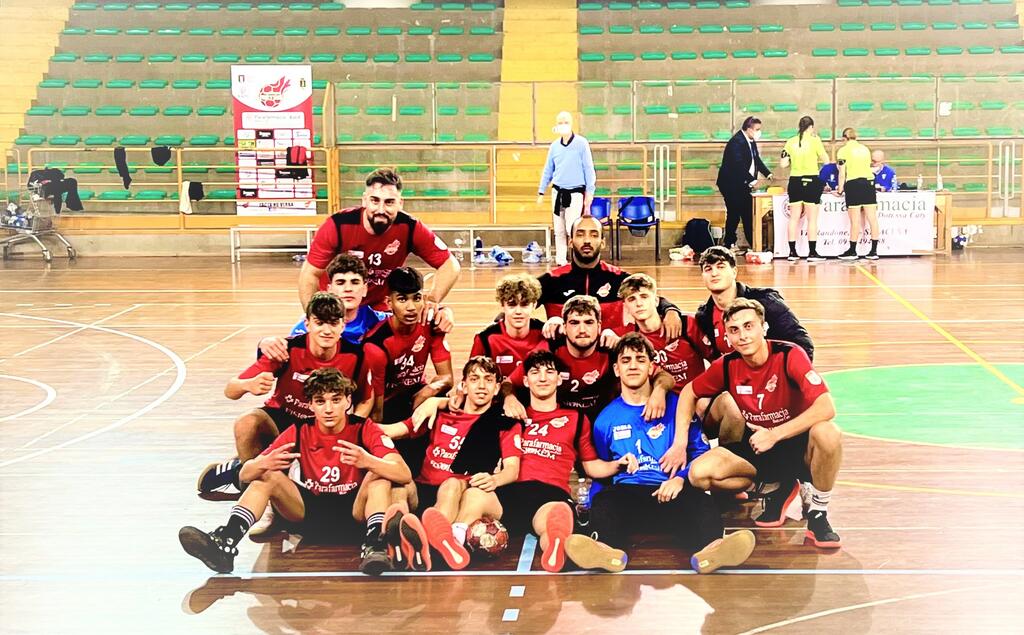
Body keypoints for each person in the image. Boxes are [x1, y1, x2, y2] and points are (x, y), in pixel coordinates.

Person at [179, 368, 413, 575]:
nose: (328, 409)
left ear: (348, 401)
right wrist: (263, 463)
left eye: (336, 400)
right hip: (308, 513)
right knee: (266, 476)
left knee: (379, 475)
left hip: (355, 514)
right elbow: (244, 476)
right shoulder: (299, 430)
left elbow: (403, 474)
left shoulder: (364, 429)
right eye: (320, 401)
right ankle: (225, 542)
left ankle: (375, 545)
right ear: (310, 405)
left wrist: (368, 461)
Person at [586, 333, 756, 574]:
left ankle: (713, 550)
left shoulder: (677, 407)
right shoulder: (605, 420)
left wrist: (681, 478)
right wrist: (593, 505)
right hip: (629, 495)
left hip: (673, 491)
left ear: (651, 367)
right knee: (606, 501)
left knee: (701, 502)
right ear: (616, 369)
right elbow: (603, 474)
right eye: (625, 360)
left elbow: (700, 453)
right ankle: (604, 550)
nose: (633, 366)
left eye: (640, 359)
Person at [681, 299, 843, 548]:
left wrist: (775, 434)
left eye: (749, 326)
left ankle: (818, 514)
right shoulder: (727, 365)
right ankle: (774, 487)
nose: (743, 335)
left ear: (764, 327)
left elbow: (827, 407)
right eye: (734, 330)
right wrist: (679, 442)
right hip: (758, 447)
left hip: (795, 444)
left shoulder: (789, 355)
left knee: (828, 432)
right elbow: (689, 392)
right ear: (727, 337)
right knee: (698, 474)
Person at [197, 293, 384, 506]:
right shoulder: (287, 350)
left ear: (343, 325)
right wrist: (248, 385)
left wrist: (352, 429)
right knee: (247, 422)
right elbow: (230, 390)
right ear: (307, 324)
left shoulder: (356, 356)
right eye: (319, 323)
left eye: (333, 323)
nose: (326, 330)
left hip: (324, 426)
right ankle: (254, 492)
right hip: (283, 420)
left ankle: (237, 469)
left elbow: (364, 400)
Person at [379, 357, 522, 570]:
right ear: (463, 385)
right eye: (474, 379)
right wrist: (352, 425)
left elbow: (512, 470)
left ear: (496, 388)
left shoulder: (504, 423)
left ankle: (433, 543)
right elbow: (393, 430)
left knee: (453, 485)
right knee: (398, 487)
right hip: (424, 489)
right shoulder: (439, 413)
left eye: (488, 380)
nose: (481, 386)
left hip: (465, 492)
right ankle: (399, 539)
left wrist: (494, 479)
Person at [499, 350, 630, 573]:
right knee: (476, 499)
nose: (542, 378)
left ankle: (558, 550)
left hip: (549, 494)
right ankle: (452, 536)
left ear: (559, 379)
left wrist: (618, 464)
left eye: (549, 372)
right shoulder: (511, 415)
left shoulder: (576, 419)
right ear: (525, 381)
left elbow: (590, 465)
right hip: (510, 491)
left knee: (554, 523)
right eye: (535, 372)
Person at [299, 168, 461, 312]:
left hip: (379, 310)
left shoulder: (410, 227)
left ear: (400, 203)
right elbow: (309, 274)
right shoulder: (338, 225)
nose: (381, 209)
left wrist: (432, 300)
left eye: (389, 202)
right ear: (364, 200)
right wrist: (314, 315)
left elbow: (450, 265)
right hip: (338, 309)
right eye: (375, 201)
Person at [503, 294, 678, 425]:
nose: (582, 330)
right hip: (560, 422)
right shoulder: (549, 350)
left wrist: (659, 391)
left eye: (588, 322)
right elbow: (509, 382)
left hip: (602, 421)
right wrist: (509, 398)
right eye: (574, 323)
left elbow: (664, 376)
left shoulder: (611, 349)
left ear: (599, 326)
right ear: (564, 327)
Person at [257, 253, 454, 362]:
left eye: (355, 282)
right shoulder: (310, 326)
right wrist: (264, 344)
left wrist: (444, 312)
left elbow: (411, 317)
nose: (348, 289)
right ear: (329, 288)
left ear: (365, 288)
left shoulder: (379, 320)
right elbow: (282, 352)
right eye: (341, 282)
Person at [364, 267, 454, 478]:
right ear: (389, 303)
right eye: (402, 299)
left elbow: (447, 378)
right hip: (388, 405)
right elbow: (376, 411)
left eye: (417, 298)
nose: (411, 307)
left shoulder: (431, 326)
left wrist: (428, 391)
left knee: (448, 403)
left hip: (416, 396)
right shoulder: (376, 344)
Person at [537, 215, 685, 336]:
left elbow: (651, 298)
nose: (587, 240)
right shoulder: (552, 280)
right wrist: (544, 326)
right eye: (580, 235)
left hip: (610, 356)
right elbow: (523, 303)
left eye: (594, 235)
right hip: (565, 356)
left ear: (602, 243)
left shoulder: (618, 278)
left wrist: (671, 310)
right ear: (570, 242)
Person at [694, 246, 814, 361]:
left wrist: (786, 372)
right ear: (702, 276)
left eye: (721, 267)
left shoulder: (765, 301)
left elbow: (802, 344)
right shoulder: (704, 316)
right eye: (708, 269)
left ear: (734, 272)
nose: (714, 273)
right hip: (737, 375)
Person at [616, 273, 706, 392]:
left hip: (696, 397)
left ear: (656, 301)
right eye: (632, 299)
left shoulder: (686, 325)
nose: (639, 304)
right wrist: (607, 333)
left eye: (644, 297)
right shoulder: (629, 337)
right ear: (625, 307)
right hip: (657, 399)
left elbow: (716, 360)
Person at [537, 111, 597, 266]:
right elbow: (548, 169)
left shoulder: (581, 143)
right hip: (558, 191)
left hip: (575, 192)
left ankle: (576, 259)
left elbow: (588, 168)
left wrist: (590, 192)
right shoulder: (554, 146)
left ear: (571, 124)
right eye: (560, 122)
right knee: (559, 229)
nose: (563, 125)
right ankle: (561, 260)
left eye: (566, 122)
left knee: (572, 228)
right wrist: (541, 190)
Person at [471, 273, 549, 378]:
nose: (518, 311)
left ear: (534, 305)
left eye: (524, 305)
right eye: (512, 305)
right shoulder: (485, 338)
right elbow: (472, 378)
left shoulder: (546, 334)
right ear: (502, 305)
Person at [717, 116, 773, 252]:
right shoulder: (736, 142)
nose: (759, 132)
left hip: (743, 184)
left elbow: (756, 160)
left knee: (747, 214)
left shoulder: (750, 141)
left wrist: (767, 173)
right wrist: (751, 180)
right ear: (748, 129)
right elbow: (738, 165)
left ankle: (753, 244)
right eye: (757, 129)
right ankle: (729, 243)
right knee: (734, 213)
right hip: (731, 184)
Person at [780, 116, 830, 262]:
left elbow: (783, 164)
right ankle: (812, 253)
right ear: (811, 127)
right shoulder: (815, 140)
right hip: (811, 180)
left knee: (794, 218)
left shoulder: (790, 141)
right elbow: (826, 160)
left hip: (795, 181)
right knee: (812, 219)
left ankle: (792, 252)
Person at [836, 128, 880, 261]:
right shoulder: (865, 149)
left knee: (855, 221)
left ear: (844, 138)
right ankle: (873, 251)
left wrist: (840, 190)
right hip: (868, 183)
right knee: (872, 219)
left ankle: (852, 250)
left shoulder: (843, 151)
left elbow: (842, 173)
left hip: (853, 184)